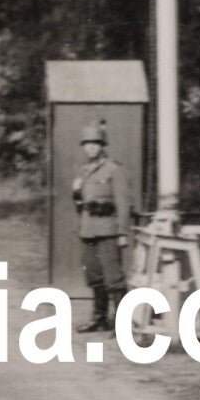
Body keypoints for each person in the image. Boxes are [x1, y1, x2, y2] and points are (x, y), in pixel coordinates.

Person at [72, 120, 134, 334]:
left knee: (113, 278)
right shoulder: (84, 171)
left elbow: (123, 203)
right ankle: (99, 318)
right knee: (93, 275)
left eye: (95, 143)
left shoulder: (114, 169)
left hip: (108, 230)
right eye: (87, 143)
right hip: (88, 230)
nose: (90, 147)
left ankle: (123, 323)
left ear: (102, 146)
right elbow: (80, 203)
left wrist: (123, 232)